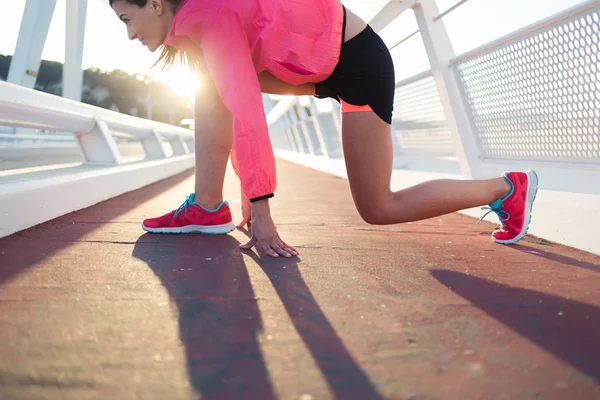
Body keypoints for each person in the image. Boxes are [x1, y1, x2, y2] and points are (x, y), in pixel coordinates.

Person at [110, 0, 539, 258]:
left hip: (357, 63)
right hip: (312, 67)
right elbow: (234, 95)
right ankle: (208, 206)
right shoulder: (197, 23)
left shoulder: (211, 15)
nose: (129, 35)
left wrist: (261, 209)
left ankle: (506, 188)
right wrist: (247, 191)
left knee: (378, 207)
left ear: (155, 4)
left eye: (127, 19)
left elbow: (244, 107)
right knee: (210, 84)